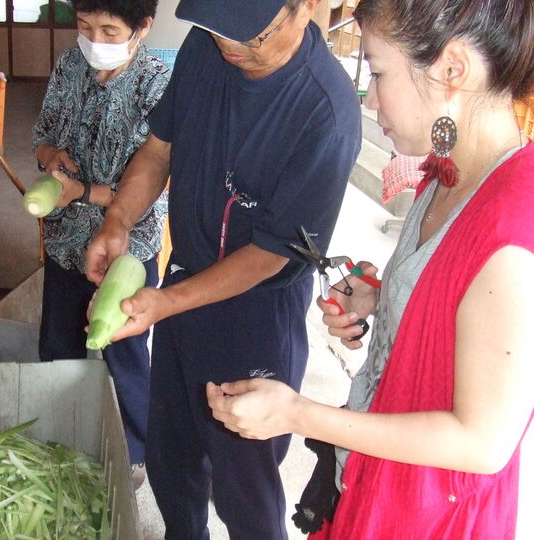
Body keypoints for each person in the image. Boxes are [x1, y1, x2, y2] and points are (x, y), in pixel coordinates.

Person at [207, 0, 534, 537]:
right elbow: (455, 300)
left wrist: (297, 414)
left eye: (379, 72)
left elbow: (482, 442)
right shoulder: (447, 172)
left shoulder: (512, 233)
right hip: (375, 478)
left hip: (427, 515)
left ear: (452, 69)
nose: (370, 98)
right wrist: (383, 298)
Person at [85, 0, 361, 536]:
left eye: (250, 35)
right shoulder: (207, 48)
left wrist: (163, 302)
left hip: (255, 313)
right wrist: (118, 218)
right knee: (172, 458)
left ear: (305, 8)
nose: (229, 45)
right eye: (218, 29)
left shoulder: (326, 112)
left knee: (243, 484)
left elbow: (267, 256)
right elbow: (159, 150)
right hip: (185, 279)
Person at [32, 0, 169, 481]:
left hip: (127, 247)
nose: (95, 42)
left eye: (110, 31)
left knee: (123, 352)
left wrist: (83, 192)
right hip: (67, 238)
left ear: (142, 27)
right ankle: (60, 442)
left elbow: (155, 182)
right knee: (58, 343)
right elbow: (43, 132)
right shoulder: (70, 65)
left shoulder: (158, 84)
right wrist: (51, 156)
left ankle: (134, 453)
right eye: (85, 27)